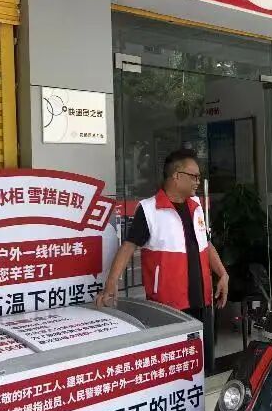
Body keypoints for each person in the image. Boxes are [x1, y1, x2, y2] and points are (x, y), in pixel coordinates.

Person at [95, 148, 229, 373]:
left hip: (202, 301)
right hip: (169, 307)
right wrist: (111, 284)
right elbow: (128, 247)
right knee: (175, 369)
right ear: (176, 176)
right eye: (194, 176)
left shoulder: (195, 207)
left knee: (203, 365)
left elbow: (205, 244)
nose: (198, 182)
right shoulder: (149, 210)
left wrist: (222, 273)